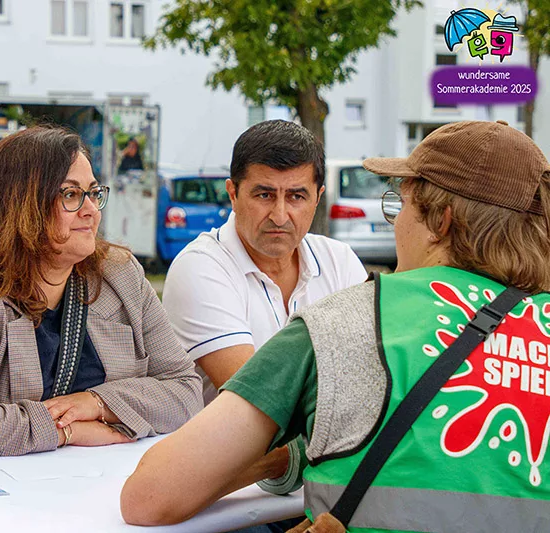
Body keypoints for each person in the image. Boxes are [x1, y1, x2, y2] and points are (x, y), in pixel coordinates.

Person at [122, 120, 550, 531]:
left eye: (399, 205)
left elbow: (150, 496)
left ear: (441, 222)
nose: (280, 215)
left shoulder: (343, 321)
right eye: (264, 195)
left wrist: (301, 453)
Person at [0, 125, 202, 462]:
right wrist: (66, 431)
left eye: (93, 193)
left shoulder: (120, 276)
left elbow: (185, 390)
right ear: (21, 205)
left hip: (88, 483)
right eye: (70, 195)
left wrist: (98, 403)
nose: (91, 210)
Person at [162, 119, 367, 496]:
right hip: (230, 495)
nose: (280, 215)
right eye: (264, 195)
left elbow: (370, 379)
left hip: (324, 484)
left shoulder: (339, 261)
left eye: (296, 196)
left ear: (318, 197)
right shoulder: (201, 267)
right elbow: (262, 407)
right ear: (232, 193)